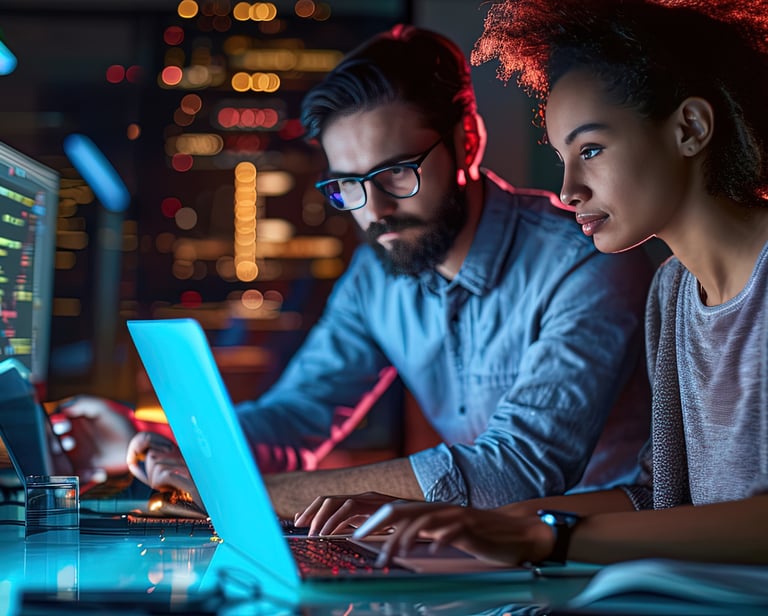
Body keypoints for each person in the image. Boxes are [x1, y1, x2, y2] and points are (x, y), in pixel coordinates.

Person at [58, 24, 654, 520]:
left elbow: (516, 470)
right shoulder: (379, 274)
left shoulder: (582, 263)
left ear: (467, 140)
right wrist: (153, 438)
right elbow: (301, 416)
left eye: (396, 172)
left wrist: (237, 496)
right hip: (487, 559)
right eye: (349, 185)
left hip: (604, 570)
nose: (375, 210)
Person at [333, 0, 768, 566]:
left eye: (590, 150)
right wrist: (475, 522)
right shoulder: (673, 292)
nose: (567, 190)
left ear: (690, 128)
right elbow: (659, 500)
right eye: (562, 155)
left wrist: (548, 537)